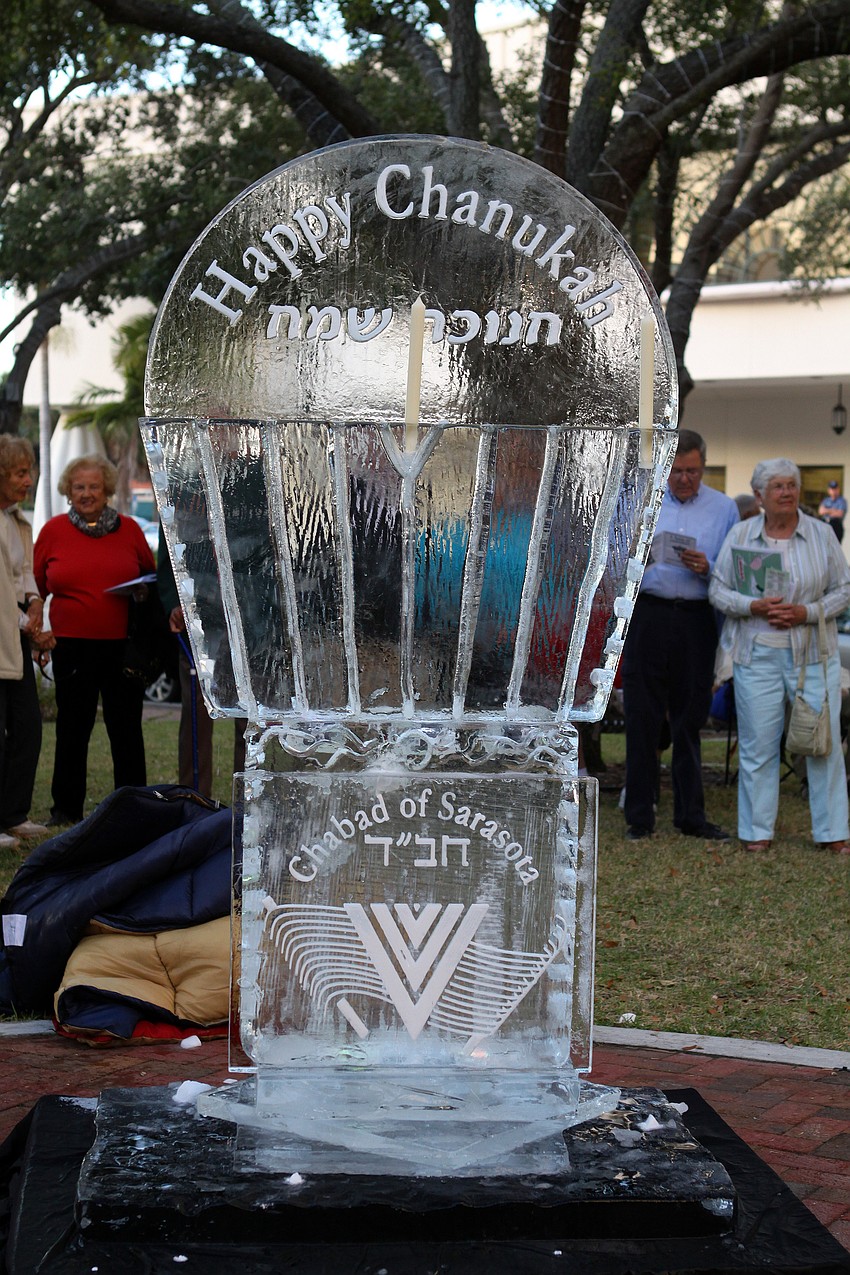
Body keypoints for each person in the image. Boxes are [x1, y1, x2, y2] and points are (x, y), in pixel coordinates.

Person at [709, 458, 850, 853]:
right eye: (778, 486)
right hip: (757, 655)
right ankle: (757, 831)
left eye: (792, 485)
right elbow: (717, 590)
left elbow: (844, 589)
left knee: (822, 741)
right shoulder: (741, 533)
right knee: (758, 744)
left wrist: (808, 612)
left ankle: (833, 831)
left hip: (813, 654)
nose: (787, 492)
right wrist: (751, 605)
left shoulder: (822, 533)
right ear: (759, 496)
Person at [622, 429, 738, 841]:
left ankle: (691, 816)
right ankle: (639, 816)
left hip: (696, 617)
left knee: (690, 718)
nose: (684, 479)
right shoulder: (641, 500)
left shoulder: (724, 509)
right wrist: (640, 557)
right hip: (648, 613)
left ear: (703, 467)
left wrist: (710, 568)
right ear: (664, 467)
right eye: (676, 471)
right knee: (642, 716)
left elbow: (734, 570)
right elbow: (615, 557)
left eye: (692, 471)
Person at [35, 455, 156, 826]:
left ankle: (133, 806)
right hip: (70, 645)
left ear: (106, 490)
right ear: (68, 492)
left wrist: (140, 594)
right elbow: (35, 589)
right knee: (72, 729)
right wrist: (38, 635)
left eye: (93, 486)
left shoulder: (130, 530)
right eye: (79, 487)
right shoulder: (52, 531)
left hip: (122, 647)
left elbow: (151, 580)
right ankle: (66, 810)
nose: (86, 493)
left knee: (126, 730)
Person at [0, 436, 51, 849]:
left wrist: (35, 602)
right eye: (20, 473)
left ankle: (13, 814)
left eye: (29, 472)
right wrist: (30, 626)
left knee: (27, 727)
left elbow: (23, 574)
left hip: (13, 636)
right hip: (6, 632)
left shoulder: (16, 520)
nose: (28, 480)